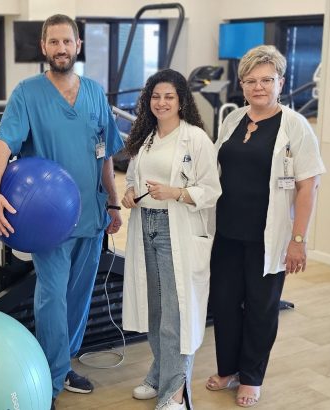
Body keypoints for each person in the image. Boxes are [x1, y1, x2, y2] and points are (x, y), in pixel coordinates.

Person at [0, 14, 123, 410]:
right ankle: (51, 375)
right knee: (52, 297)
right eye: (54, 42)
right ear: (44, 47)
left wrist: (113, 201)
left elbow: (105, 154)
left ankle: (64, 363)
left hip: (91, 214)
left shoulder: (94, 92)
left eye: (67, 41)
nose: (61, 49)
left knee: (79, 296)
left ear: (78, 45)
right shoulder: (27, 93)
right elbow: (3, 145)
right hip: (49, 221)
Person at [206, 45, 326, 408]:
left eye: (267, 80)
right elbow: (213, 170)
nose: (259, 87)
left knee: (261, 307)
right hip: (226, 232)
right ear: (242, 85)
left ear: (281, 83)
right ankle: (228, 370)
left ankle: (252, 377)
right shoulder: (233, 119)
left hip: (266, 236)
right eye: (251, 81)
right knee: (224, 304)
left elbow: (308, 186)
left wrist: (298, 239)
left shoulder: (295, 126)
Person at [120, 69, 221, 410]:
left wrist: (176, 192)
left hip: (175, 229)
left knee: (175, 314)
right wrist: (129, 195)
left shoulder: (195, 139)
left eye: (169, 97)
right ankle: (159, 372)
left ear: (181, 101)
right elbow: (132, 179)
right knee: (155, 309)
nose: (161, 103)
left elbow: (211, 190)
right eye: (156, 96)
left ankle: (175, 392)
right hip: (145, 226)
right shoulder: (145, 138)